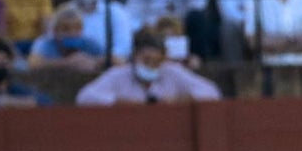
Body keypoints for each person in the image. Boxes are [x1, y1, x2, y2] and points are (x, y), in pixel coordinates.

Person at [76, 29, 221, 104]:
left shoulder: (171, 71)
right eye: (146, 60)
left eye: (157, 61)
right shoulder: (119, 74)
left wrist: (180, 100)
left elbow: (212, 92)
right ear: (134, 56)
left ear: (163, 59)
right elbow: (84, 97)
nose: (152, 66)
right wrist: (119, 102)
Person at [64, 0, 133, 64]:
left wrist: (96, 62)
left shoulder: (116, 12)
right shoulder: (64, 12)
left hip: (108, 67)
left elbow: (123, 49)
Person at [26, 5, 104, 71]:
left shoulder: (88, 42)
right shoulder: (45, 42)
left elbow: (110, 58)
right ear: (55, 31)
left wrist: (94, 62)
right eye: (66, 29)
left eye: (77, 28)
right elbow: (33, 64)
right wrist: (68, 63)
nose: (72, 33)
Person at [0, 37, 49, 106]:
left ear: (11, 63)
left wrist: (10, 101)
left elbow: (46, 102)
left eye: (2, 64)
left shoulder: (17, 89)